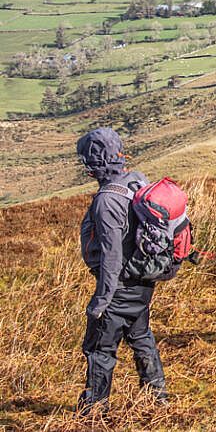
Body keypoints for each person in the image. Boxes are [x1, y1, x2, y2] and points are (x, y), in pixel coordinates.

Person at [76, 127, 167, 414]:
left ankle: (94, 410)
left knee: (100, 349)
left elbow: (111, 256)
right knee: (141, 337)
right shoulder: (137, 181)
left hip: (118, 288)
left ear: (94, 162)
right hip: (142, 282)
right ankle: (157, 397)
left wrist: (100, 302)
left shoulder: (106, 201)